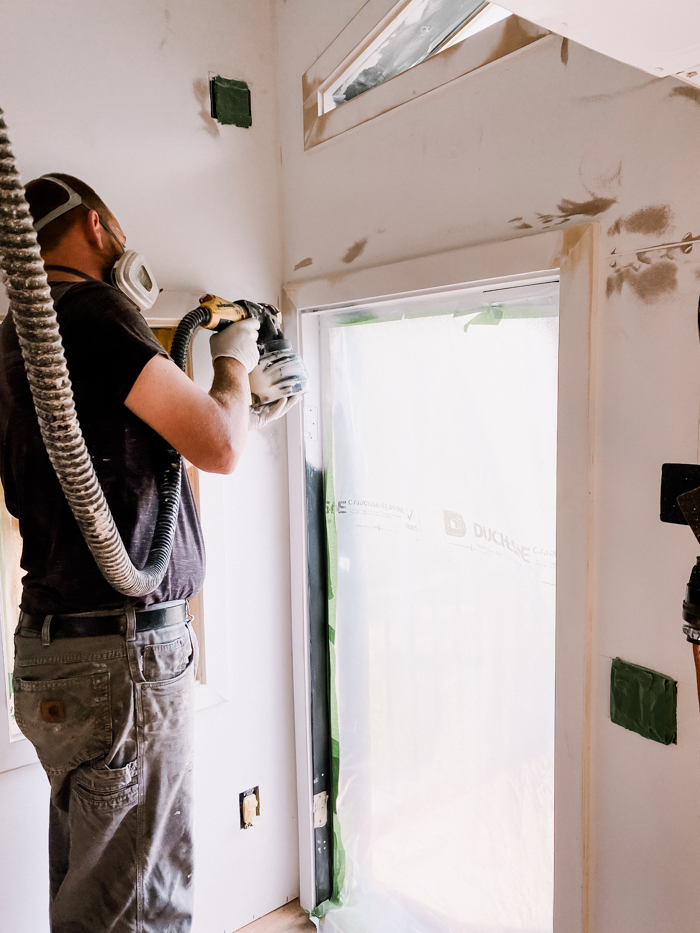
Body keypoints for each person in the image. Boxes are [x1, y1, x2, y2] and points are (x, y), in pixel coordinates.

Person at [0, 173, 289, 933]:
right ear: (96, 227)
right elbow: (219, 446)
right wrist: (234, 361)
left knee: (92, 885)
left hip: (54, 653)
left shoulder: (18, 332)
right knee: (140, 902)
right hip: (120, 659)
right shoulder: (95, 311)